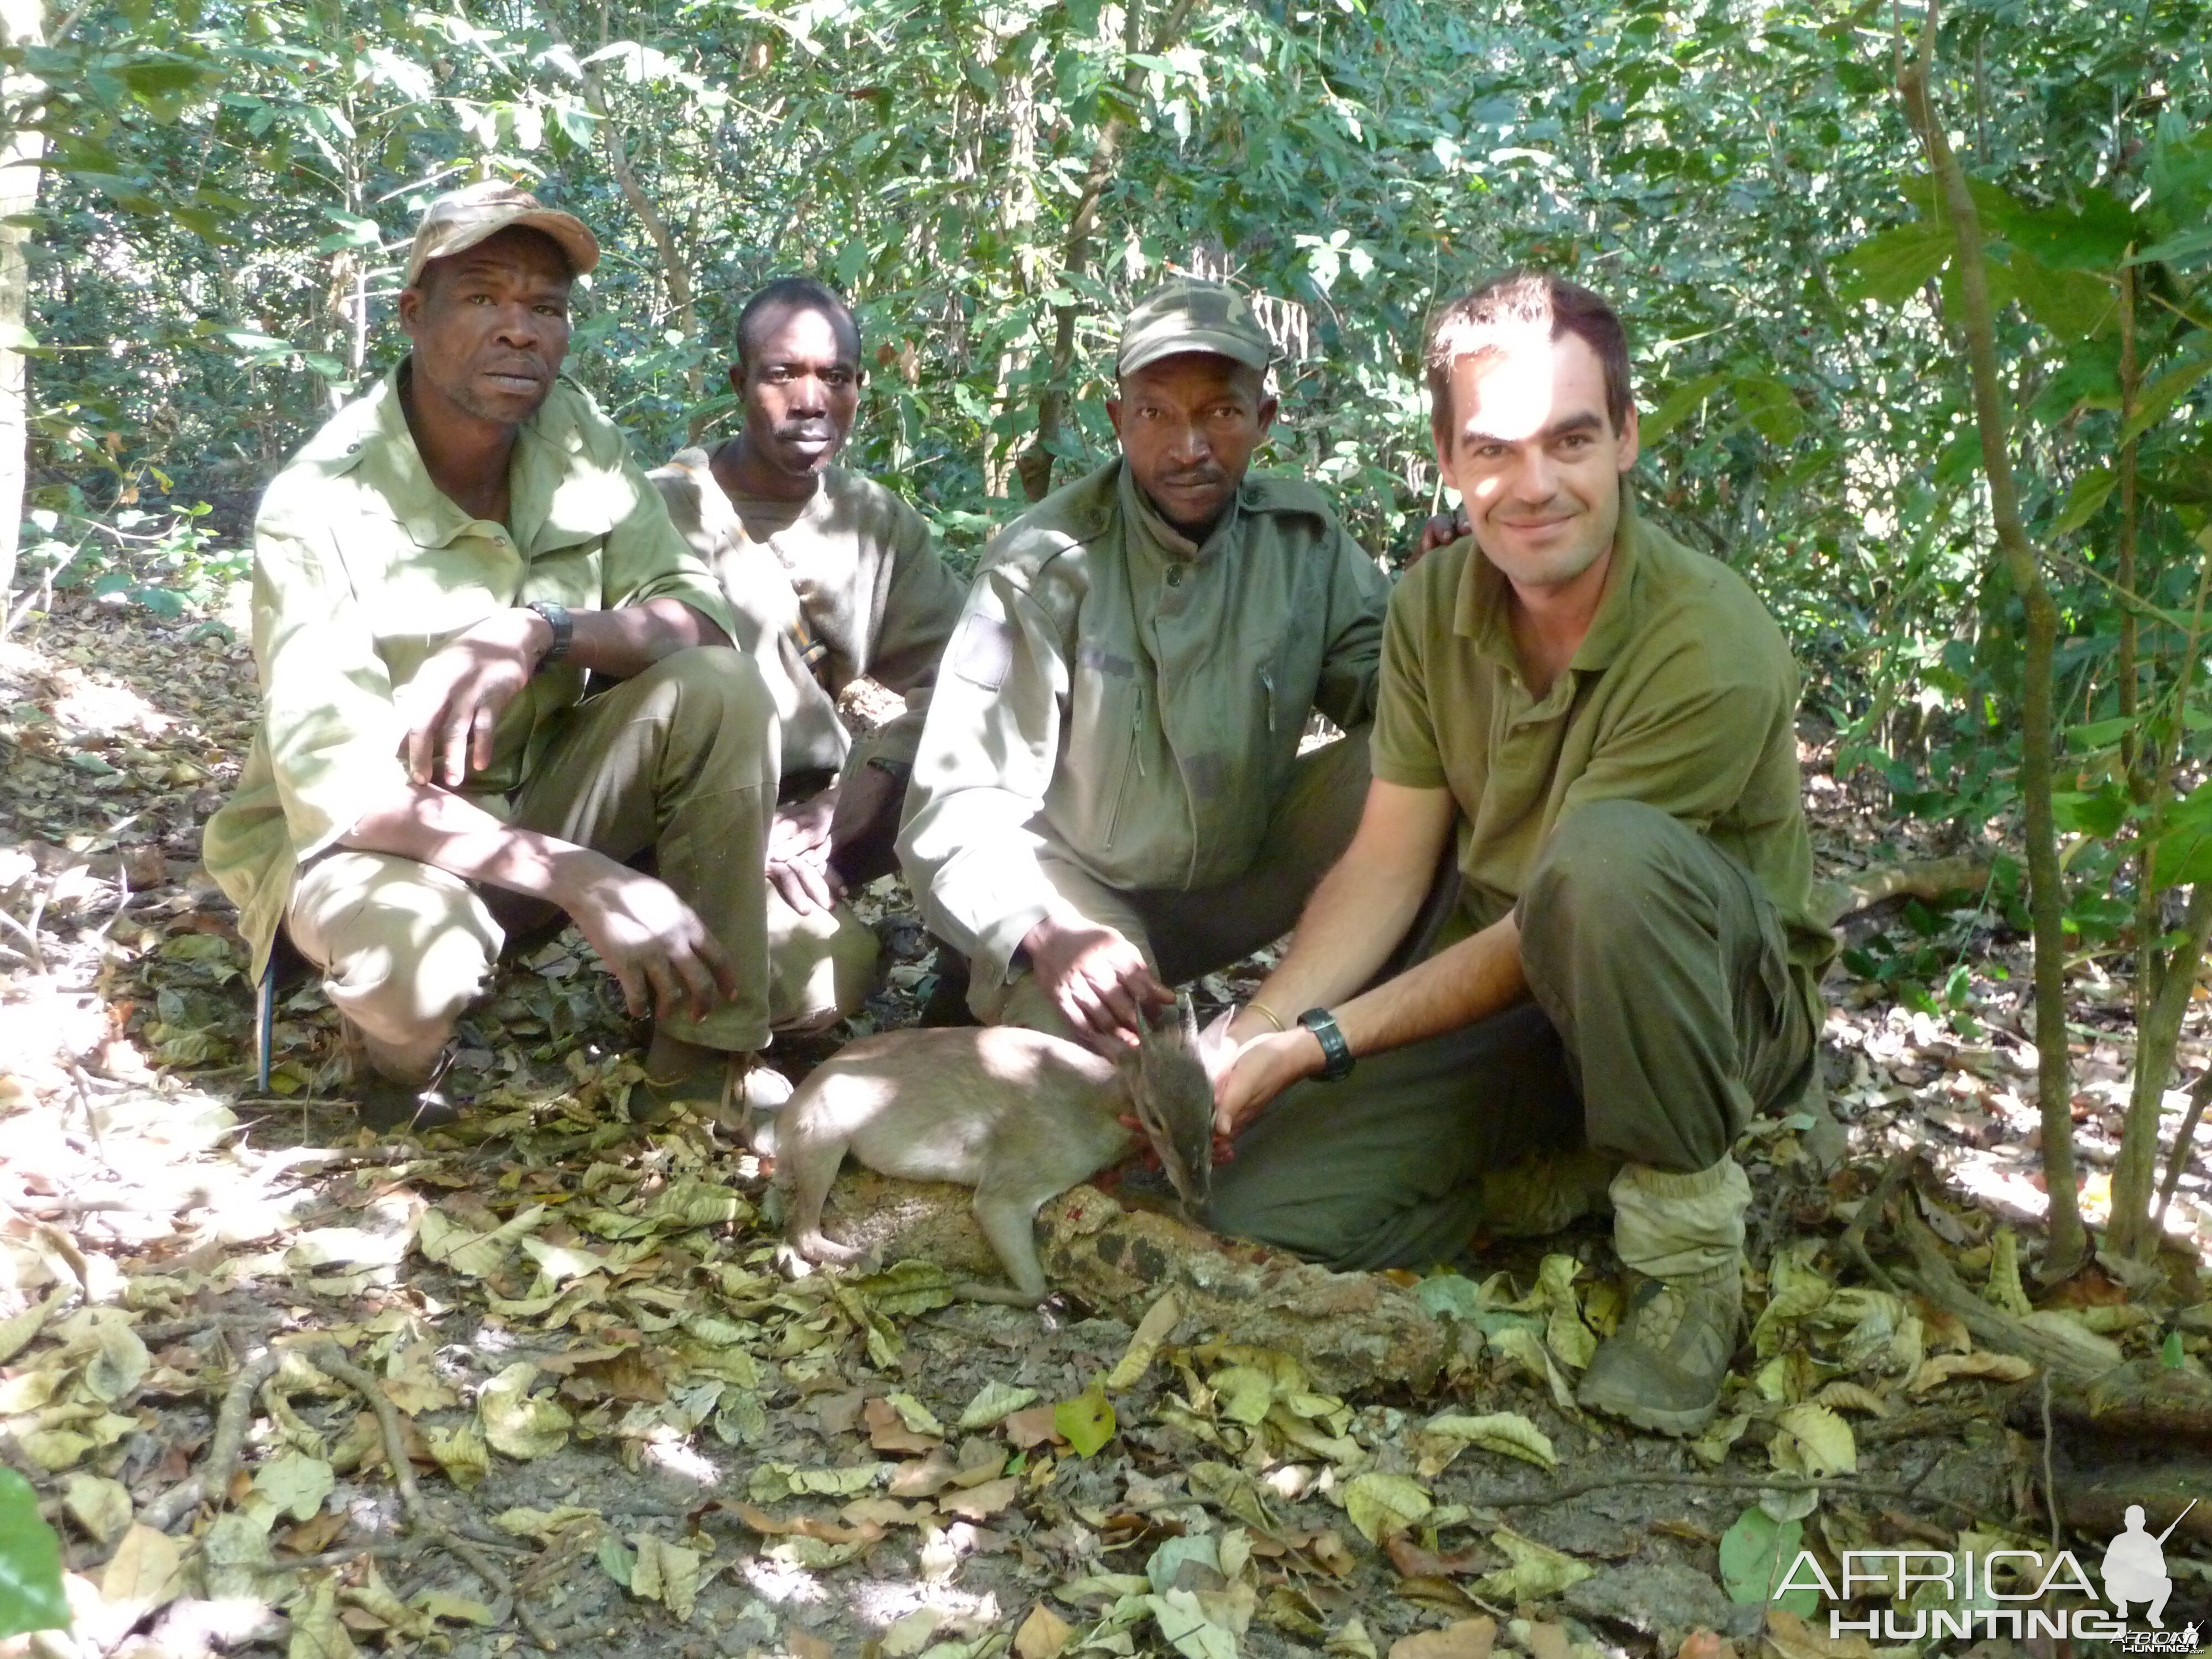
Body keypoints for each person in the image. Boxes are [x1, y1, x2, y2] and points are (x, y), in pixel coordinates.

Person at [1202, 272, 1834, 1436]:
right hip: (1515, 994)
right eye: (1492, 450)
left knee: (1596, 863)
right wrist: (1251, 1037)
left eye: (1572, 440)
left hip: (1698, 992)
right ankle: (1561, 1173)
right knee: (1260, 1206)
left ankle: (1689, 1251)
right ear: (1447, 461)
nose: (1532, 486)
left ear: (1627, 440)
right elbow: (1389, 862)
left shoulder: (1710, 637)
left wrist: (1323, 1043)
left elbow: (1558, 908)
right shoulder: (1429, 604)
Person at [203, 181, 780, 1129]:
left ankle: (697, 1069)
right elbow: (345, 795)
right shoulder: (319, 504)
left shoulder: (575, 437)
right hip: (375, 844)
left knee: (718, 688)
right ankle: (393, 1060)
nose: (521, 331)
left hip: (536, 797)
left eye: (545, 307)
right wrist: (583, 876)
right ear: (412, 313)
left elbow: (698, 621)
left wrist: (539, 631)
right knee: (410, 967)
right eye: (482, 297)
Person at [898, 276, 1390, 1047]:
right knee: (1113, 1078)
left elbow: (1399, 693)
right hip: (1078, 893)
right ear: (1117, 419)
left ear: (1263, 419)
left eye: (1221, 413)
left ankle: (1392, 1033)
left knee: (1415, 764)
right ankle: (989, 992)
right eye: (1156, 412)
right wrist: (1042, 930)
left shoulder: (1304, 541)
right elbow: (957, 807)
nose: (1188, 447)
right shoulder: (1045, 566)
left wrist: (1465, 594)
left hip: (1240, 872)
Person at [651, 279, 964, 1037]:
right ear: (739, 385)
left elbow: (968, 682)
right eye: (782, 374)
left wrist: (848, 797)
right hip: (698, 817)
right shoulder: (661, 512)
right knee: (821, 982)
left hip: (827, 811)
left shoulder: (877, 521)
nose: (811, 399)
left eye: (836, 377)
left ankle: (977, 988)